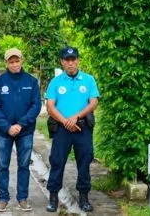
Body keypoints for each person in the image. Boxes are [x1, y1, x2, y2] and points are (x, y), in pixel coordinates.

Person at [45, 47, 99, 213]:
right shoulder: (56, 82)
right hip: (62, 129)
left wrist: (76, 117)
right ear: (62, 62)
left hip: (82, 128)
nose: (70, 63)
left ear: (78, 60)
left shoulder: (88, 80)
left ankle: (84, 196)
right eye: (67, 60)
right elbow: (50, 106)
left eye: (73, 59)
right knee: (57, 161)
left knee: (84, 162)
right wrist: (65, 121)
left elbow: (94, 102)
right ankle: (53, 196)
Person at [0, 48, 42, 212]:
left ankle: (23, 198)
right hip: (3, 132)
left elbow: (36, 106)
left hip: (24, 131)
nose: (14, 64)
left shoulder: (31, 82)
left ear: (22, 61)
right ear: (6, 63)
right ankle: (3, 198)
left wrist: (20, 124)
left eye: (17, 61)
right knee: (2, 166)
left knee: (24, 165)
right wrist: (7, 126)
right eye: (11, 62)